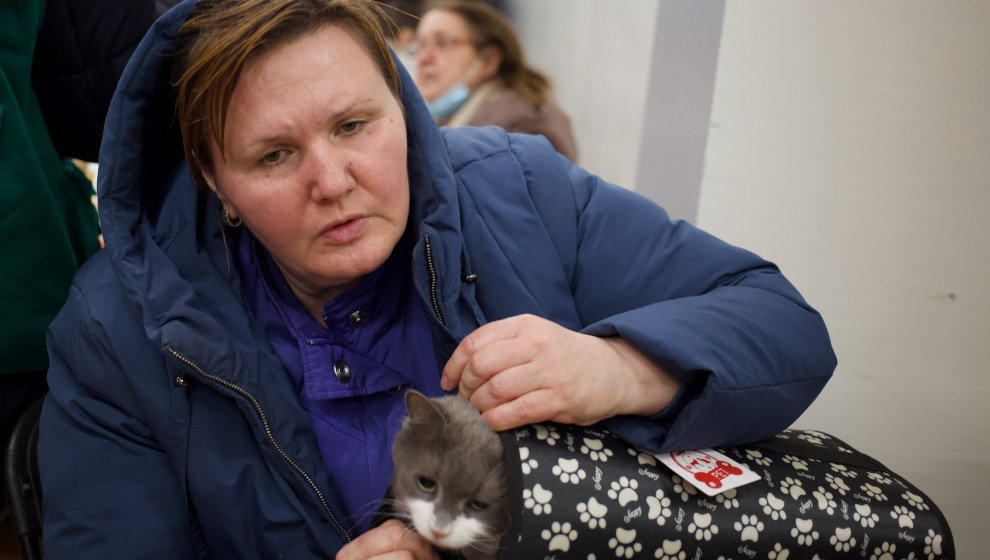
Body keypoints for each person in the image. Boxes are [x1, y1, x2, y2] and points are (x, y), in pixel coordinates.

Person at [38, 0, 836, 558]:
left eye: (355, 125)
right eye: (274, 155)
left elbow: (782, 323)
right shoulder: (116, 333)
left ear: (405, 110)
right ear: (214, 179)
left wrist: (622, 366)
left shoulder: (522, 192)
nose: (333, 179)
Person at [414, 0, 579, 162]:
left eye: (443, 43)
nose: (423, 58)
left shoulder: (516, 130)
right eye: (419, 46)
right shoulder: (451, 119)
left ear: (488, 61)